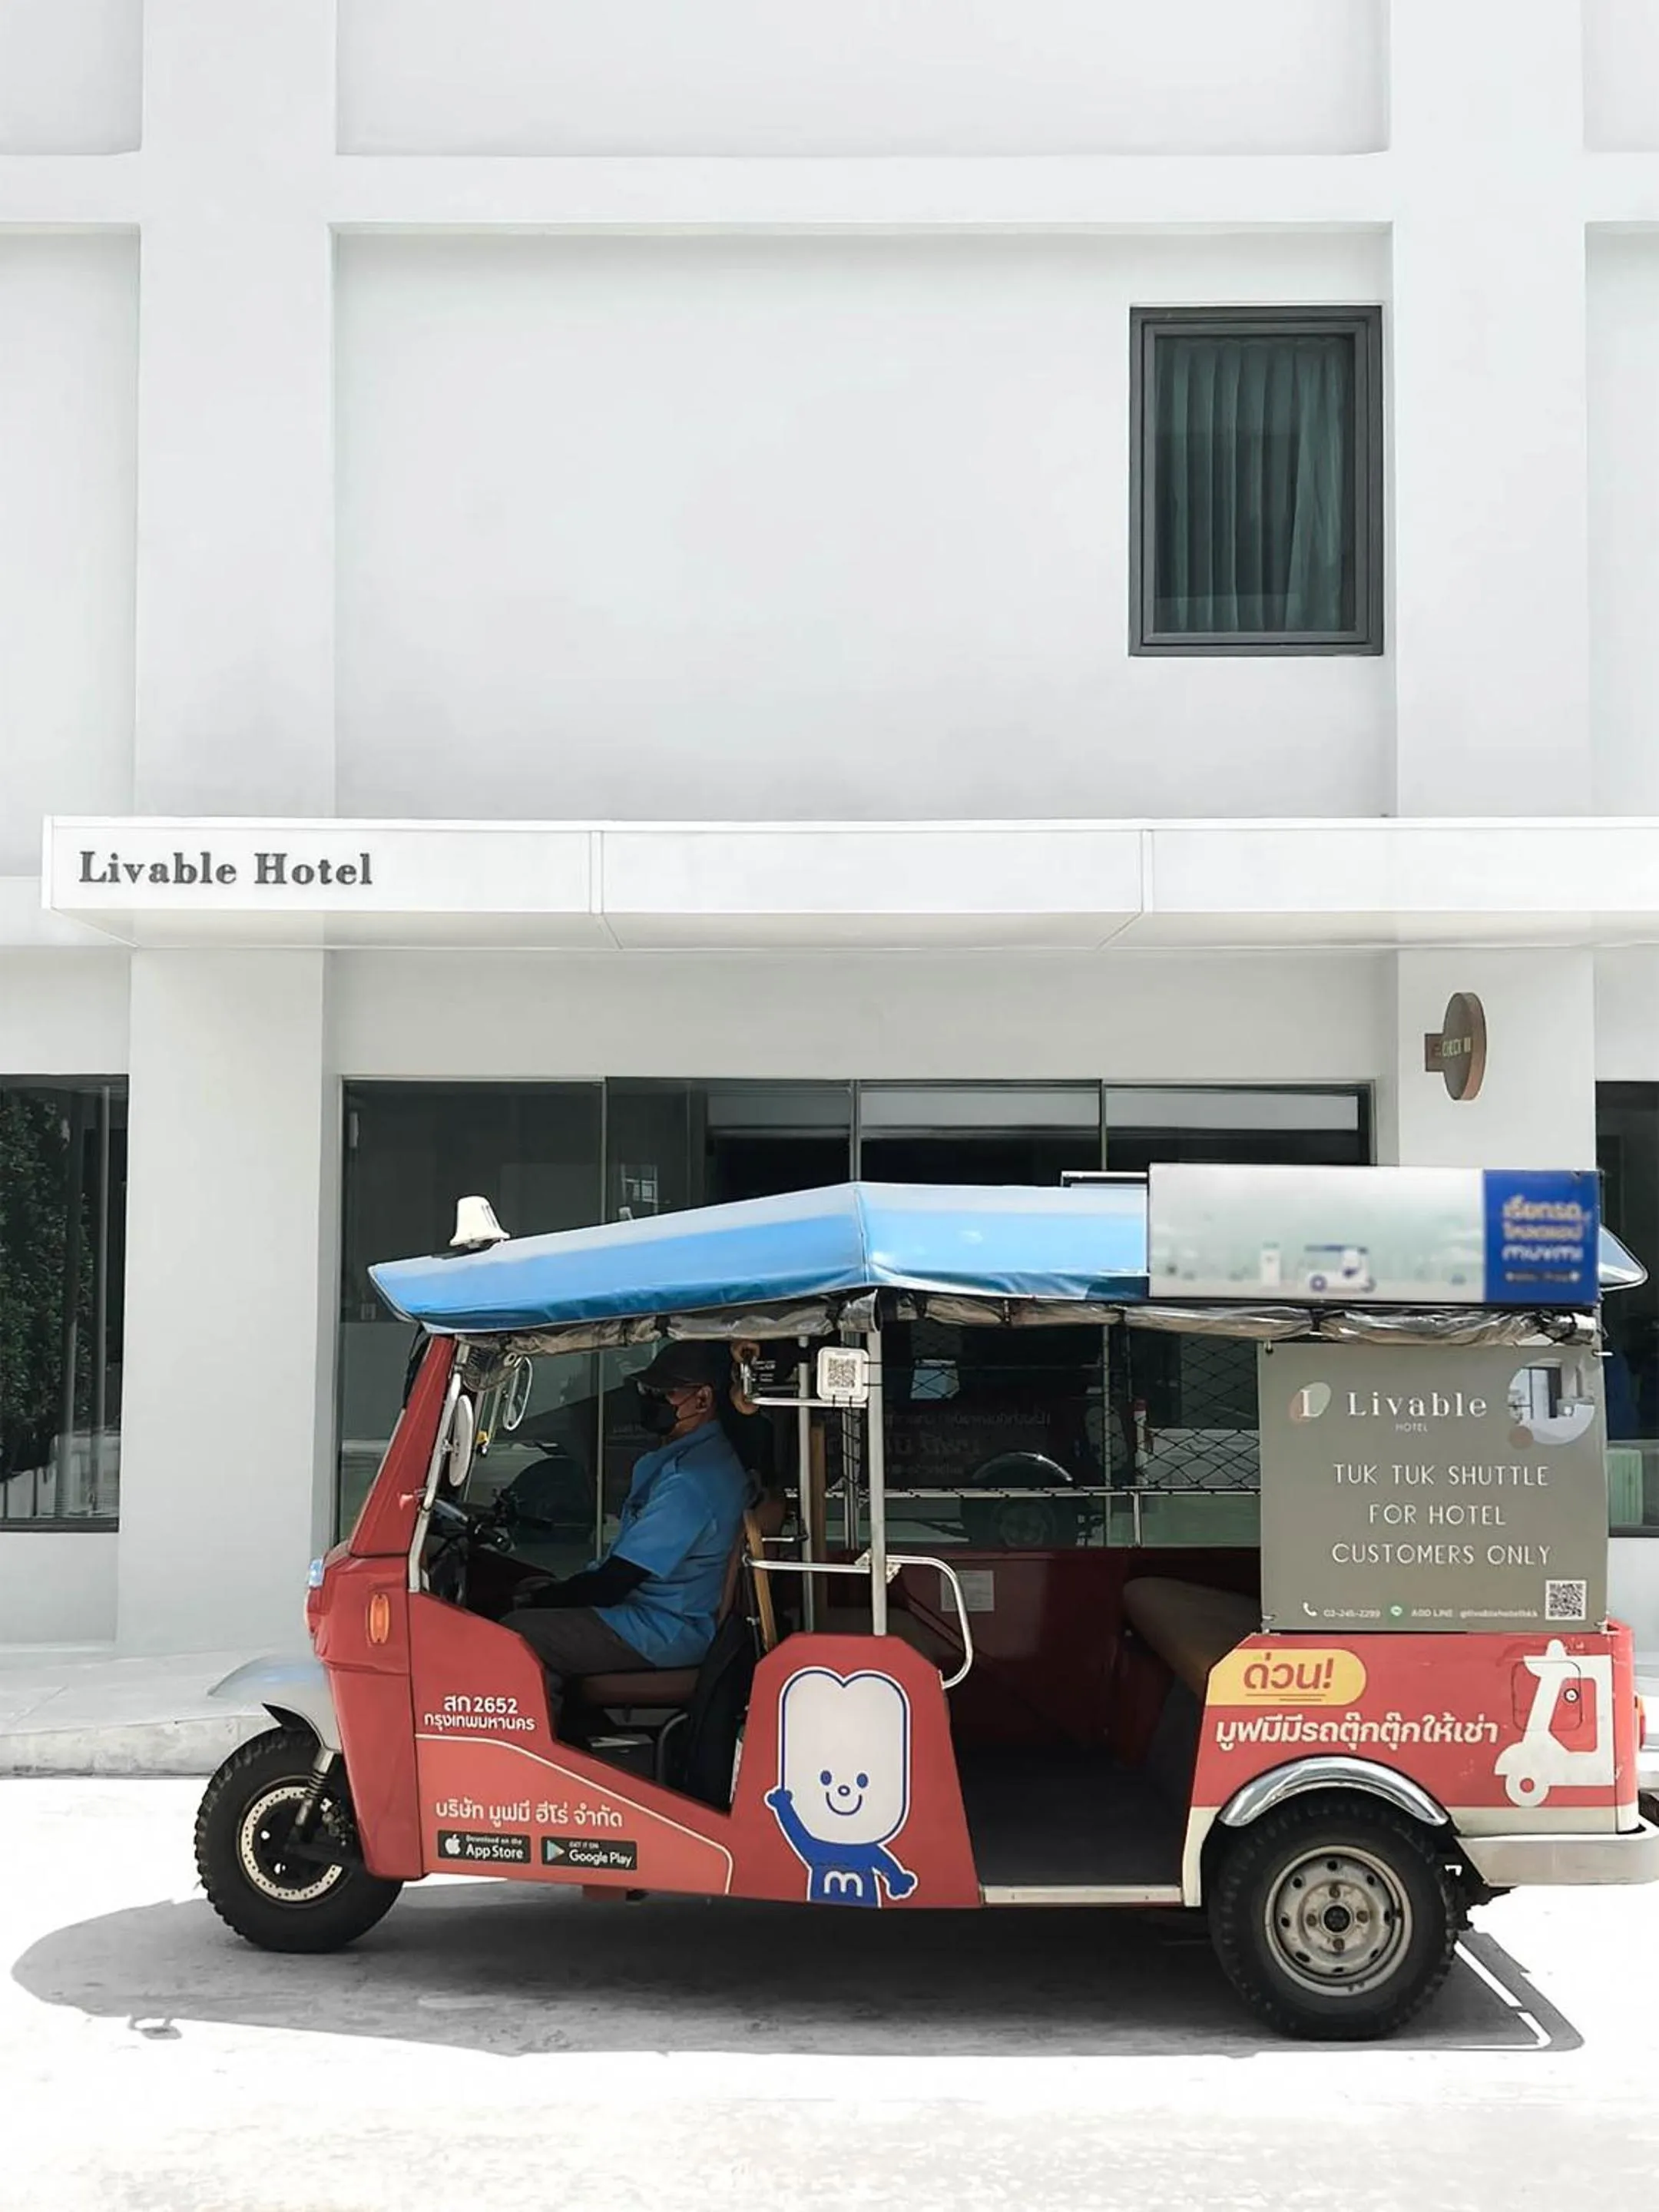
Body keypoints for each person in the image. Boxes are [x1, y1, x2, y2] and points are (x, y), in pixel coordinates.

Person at [507, 1341, 751, 1725]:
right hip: (667, 1616)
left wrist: (546, 1599)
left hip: (662, 1628)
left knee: (516, 1633)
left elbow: (614, 1584)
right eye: (646, 1391)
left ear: (703, 1400)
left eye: (661, 1393)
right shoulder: (705, 1459)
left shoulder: (690, 1482)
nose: (648, 1400)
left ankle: (542, 1755)